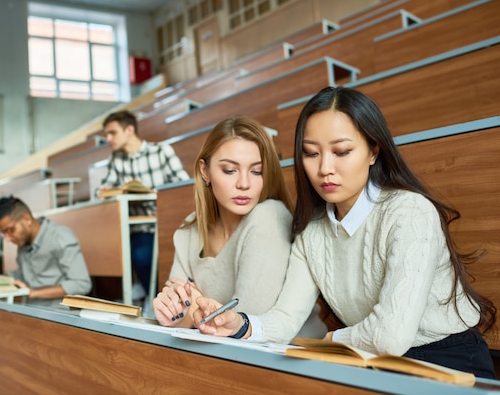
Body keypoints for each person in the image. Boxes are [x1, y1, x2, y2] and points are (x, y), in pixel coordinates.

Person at [194, 86, 496, 378]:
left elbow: (391, 335)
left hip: (449, 362)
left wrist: (333, 341)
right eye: (311, 154)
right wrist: (240, 324)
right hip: (373, 363)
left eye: (341, 151)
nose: (325, 167)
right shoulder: (312, 232)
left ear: (373, 151)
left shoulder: (409, 212)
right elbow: (286, 318)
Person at [153, 116, 326, 339]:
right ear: (205, 171)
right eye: (229, 170)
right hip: (225, 356)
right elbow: (182, 315)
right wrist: (172, 311)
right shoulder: (189, 229)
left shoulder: (269, 216)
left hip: (290, 357)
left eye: (256, 171)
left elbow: (248, 318)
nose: (244, 183)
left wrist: (195, 304)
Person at [99, 110, 190, 300]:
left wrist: (159, 192)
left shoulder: (161, 151)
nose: (108, 138)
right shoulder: (117, 159)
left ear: (129, 130)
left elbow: (183, 185)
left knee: (146, 254)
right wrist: (107, 191)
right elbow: (103, 189)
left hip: (163, 223)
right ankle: (151, 294)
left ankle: (154, 296)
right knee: (127, 252)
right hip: (135, 227)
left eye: (112, 133)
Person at [0, 195, 92, 307]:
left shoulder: (60, 237)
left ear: (27, 219)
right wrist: (4, 279)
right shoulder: (23, 242)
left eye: (10, 230)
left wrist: (33, 293)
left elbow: (82, 284)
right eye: (4, 233)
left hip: (58, 314)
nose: (7, 239)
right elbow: (26, 274)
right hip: (31, 311)